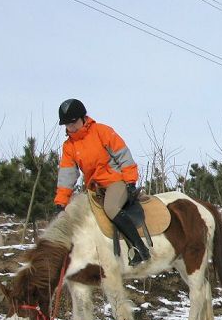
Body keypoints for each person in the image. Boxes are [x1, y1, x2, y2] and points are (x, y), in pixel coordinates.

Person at [54, 98, 150, 266]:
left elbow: (123, 156)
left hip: (116, 181)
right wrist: (61, 202)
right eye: (67, 124)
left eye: (74, 122)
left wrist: (130, 181)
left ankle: (140, 249)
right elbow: (67, 175)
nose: (71, 127)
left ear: (83, 118)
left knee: (111, 208)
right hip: (94, 188)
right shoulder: (69, 146)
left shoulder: (101, 131)